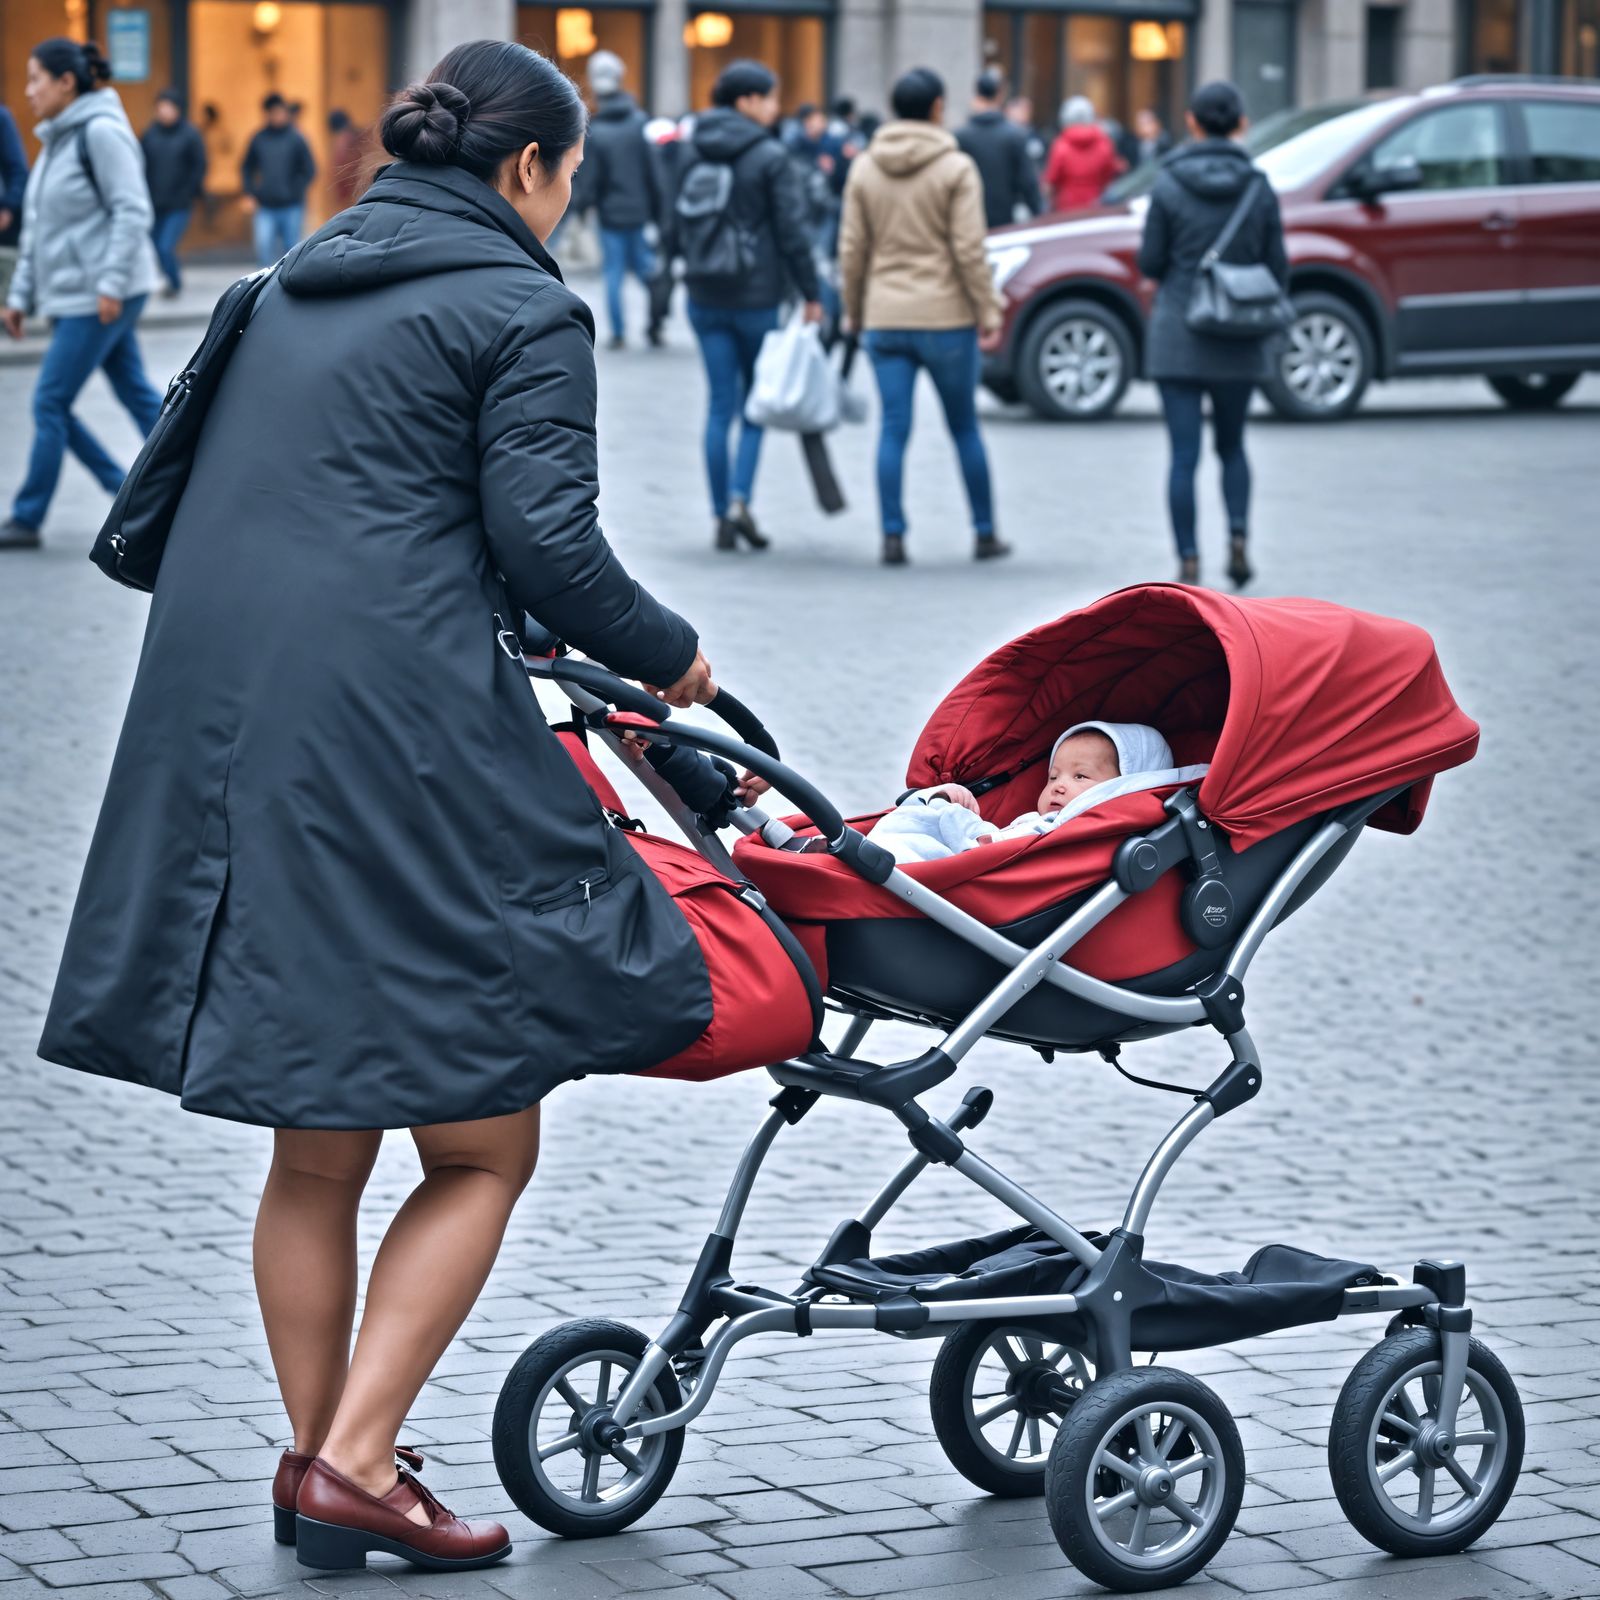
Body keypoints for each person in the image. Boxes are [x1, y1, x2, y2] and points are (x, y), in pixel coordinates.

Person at [37, 37, 716, 1570]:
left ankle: (318, 1462)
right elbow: (548, 544)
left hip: (223, 724)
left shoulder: (281, 288)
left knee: (319, 1141)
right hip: (392, 736)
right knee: (482, 1144)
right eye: (571, 176)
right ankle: (355, 1460)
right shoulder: (525, 306)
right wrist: (673, 660)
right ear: (531, 170)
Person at [838, 67, 1005, 567]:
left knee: (893, 429)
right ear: (937, 107)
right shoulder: (956, 168)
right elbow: (968, 250)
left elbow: (852, 249)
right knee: (964, 427)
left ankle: (892, 535)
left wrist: (854, 310)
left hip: (885, 316)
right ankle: (984, 531)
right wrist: (987, 309)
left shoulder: (866, 166)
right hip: (946, 317)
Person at [1, 38, 162, 550]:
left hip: (102, 295)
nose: (28, 91)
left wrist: (112, 283)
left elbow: (132, 210)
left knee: (50, 399)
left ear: (66, 82)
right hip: (80, 294)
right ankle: (191, 477)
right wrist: (19, 295)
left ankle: (29, 517)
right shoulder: (56, 142)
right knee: (135, 391)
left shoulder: (100, 132)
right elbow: (38, 230)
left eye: (35, 79)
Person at [666, 59, 821, 553]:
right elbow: (793, 233)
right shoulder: (770, 156)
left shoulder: (691, 149)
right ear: (747, 101)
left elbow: (673, 222)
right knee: (755, 405)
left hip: (704, 293)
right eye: (771, 98)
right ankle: (738, 501)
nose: (776, 108)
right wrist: (813, 293)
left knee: (719, 405)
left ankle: (718, 514)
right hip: (756, 297)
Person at [1138, 79, 1287, 588]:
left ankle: (1188, 560)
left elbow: (1150, 261)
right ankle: (1239, 540)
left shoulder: (1168, 183)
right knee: (1233, 445)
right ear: (1241, 124)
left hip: (1179, 330)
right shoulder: (1259, 186)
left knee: (1183, 454)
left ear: (1191, 121)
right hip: (1238, 334)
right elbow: (1277, 268)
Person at [867, 723, 1185, 862]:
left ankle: (869, 855)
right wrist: (947, 801)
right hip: (978, 852)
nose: (1059, 785)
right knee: (929, 813)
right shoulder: (1035, 820)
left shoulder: (1080, 836)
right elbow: (994, 835)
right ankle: (867, 849)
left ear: (1121, 789)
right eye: (1053, 775)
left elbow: (1003, 852)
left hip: (973, 872)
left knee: (928, 832)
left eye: (1081, 776)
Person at [575, 50, 661, 349]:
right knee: (647, 269)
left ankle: (620, 333)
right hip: (640, 210)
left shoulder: (595, 130)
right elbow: (654, 172)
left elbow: (591, 179)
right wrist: (660, 211)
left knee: (613, 273)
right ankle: (656, 322)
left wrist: (583, 207)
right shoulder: (639, 122)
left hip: (610, 212)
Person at [140, 88, 207, 295]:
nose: (164, 112)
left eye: (168, 108)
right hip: (154, 203)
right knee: (153, 247)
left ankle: (174, 283)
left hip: (179, 204)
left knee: (165, 246)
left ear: (177, 110)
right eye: (161, 108)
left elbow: (199, 166)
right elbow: (140, 165)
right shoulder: (149, 135)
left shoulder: (190, 134)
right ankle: (168, 279)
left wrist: (188, 192)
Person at [957, 69, 1041, 229]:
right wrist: (1039, 216)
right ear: (1000, 94)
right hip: (1006, 226)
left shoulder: (961, 136)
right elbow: (1029, 184)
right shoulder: (1015, 135)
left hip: (969, 222)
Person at [241, 91, 316, 266]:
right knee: (263, 248)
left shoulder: (296, 138)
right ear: (267, 114)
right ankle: (264, 289)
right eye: (273, 113)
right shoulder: (258, 139)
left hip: (292, 205)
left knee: (292, 251)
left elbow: (309, 169)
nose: (278, 116)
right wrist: (249, 192)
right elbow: (246, 167)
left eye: (281, 112)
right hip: (265, 205)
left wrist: (295, 190)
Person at [1044, 94, 1123, 211]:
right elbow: (1109, 174)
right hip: (1097, 203)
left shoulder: (1060, 145)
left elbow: (1052, 180)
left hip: (1067, 205)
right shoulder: (1104, 143)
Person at [326, 109, 368, 210]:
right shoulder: (358, 137)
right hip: (359, 191)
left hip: (350, 193)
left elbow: (341, 169)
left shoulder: (343, 140)